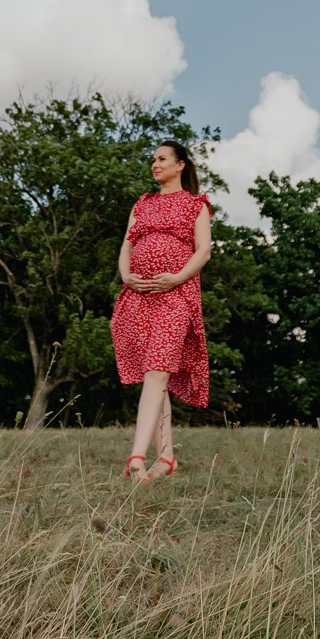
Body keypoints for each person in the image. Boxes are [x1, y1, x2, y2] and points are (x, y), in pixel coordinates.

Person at [110, 140, 212, 482]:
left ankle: (136, 458)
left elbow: (203, 251)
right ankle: (166, 457)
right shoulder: (143, 203)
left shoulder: (196, 204)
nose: (155, 164)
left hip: (176, 296)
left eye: (162, 158)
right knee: (156, 378)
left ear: (180, 165)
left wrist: (177, 278)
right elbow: (127, 246)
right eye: (153, 159)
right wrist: (127, 276)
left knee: (157, 372)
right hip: (139, 298)